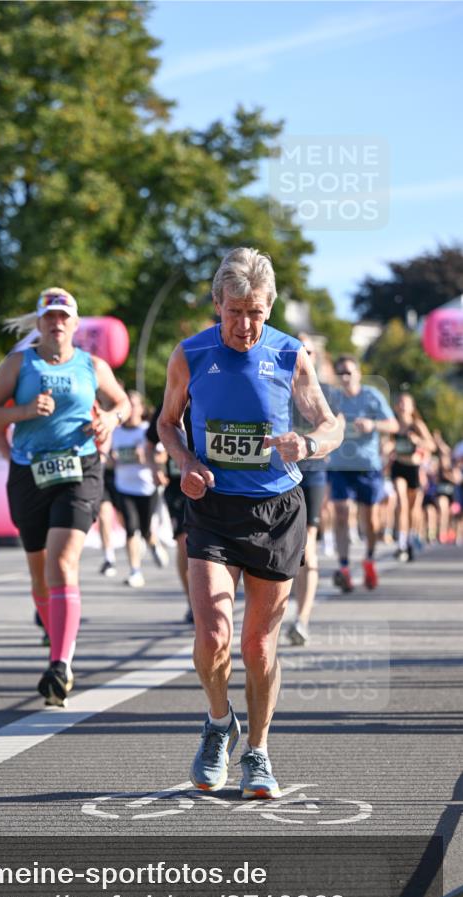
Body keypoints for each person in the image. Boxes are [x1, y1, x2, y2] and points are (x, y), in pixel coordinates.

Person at [158, 248, 342, 799]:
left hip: (277, 512)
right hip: (213, 509)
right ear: (217, 305)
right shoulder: (190, 354)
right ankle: (219, 723)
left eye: (256, 312)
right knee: (212, 633)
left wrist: (307, 444)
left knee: (260, 647)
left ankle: (257, 752)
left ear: (270, 307)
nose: (245, 324)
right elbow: (167, 424)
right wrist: (187, 463)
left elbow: (331, 424)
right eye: (234, 311)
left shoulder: (291, 354)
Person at [0, 287, 130, 706]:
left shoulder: (92, 365)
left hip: (79, 468)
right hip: (30, 471)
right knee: (40, 574)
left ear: (75, 324)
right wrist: (22, 413)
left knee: (64, 561)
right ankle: (56, 646)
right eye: (49, 317)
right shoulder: (18, 364)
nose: (57, 323)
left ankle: (60, 663)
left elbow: (122, 403)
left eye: (64, 317)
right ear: (39, 324)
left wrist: (110, 420)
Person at [286, 336, 342, 646]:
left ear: (315, 357)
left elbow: (337, 431)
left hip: (312, 476)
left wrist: (314, 443)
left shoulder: (328, 393)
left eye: (306, 352)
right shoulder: (274, 385)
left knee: (307, 548)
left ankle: (302, 619)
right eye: (296, 352)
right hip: (277, 477)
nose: (301, 357)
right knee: (283, 552)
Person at [327, 355, 399, 592]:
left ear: (358, 373)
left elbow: (394, 425)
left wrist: (373, 425)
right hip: (339, 465)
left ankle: (369, 559)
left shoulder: (371, 396)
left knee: (369, 519)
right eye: (341, 373)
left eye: (348, 372)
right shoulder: (334, 398)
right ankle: (344, 566)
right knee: (341, 512)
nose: (345, 377)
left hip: (368, 466)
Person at [111, 390, 168, 588]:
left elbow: (162, 456)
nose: (132, 409)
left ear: (142, 409)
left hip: (146, 487)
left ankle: (153, 543)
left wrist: (145, 456)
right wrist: (112, 459)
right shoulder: (116, 432)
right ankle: (135, 571)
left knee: (144, 530)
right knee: (131, 529)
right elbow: (109, 460)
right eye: (129, 405)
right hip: (124, 487)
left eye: (135, 405)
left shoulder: (146, 430)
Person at [146, 398, 194, 623]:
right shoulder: (171, 401)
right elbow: (148, 443)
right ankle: (192, 602)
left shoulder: (217, 392)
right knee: (184, 542)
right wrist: (155, 469)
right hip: (178, 486)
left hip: (212, 483)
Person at [390, 391, 434, 561]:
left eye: (405, 402)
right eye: (399, 402)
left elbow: (431, 445)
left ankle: (410, 539)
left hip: (414, 468)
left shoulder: (417, 425)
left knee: (413, 509)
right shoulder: (393, 425)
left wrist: (417, 441)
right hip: (399, 466)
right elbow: (387, 443)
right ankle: (401, 544)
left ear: (412, 407)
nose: (402, 405)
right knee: (401, 503)